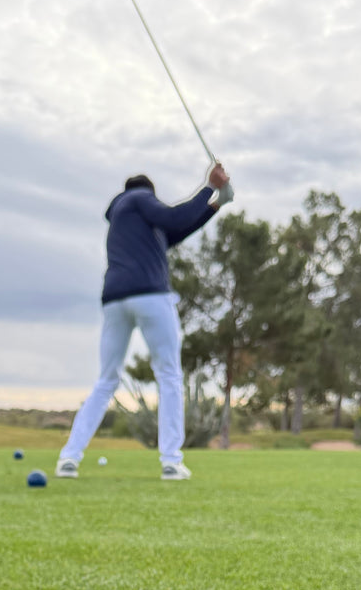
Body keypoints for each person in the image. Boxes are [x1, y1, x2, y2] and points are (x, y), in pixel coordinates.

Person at [56, 162, 233, 481]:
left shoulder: (128, 222)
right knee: (168, 374)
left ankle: (69, 458)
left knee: (106, 380)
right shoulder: (138, 198)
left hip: (114, 300)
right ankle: (171, 461)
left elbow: (175, 232)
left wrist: (216, 204)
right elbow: (173, 217)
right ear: (147, 193)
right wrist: (209, 186)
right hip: (150, 296)